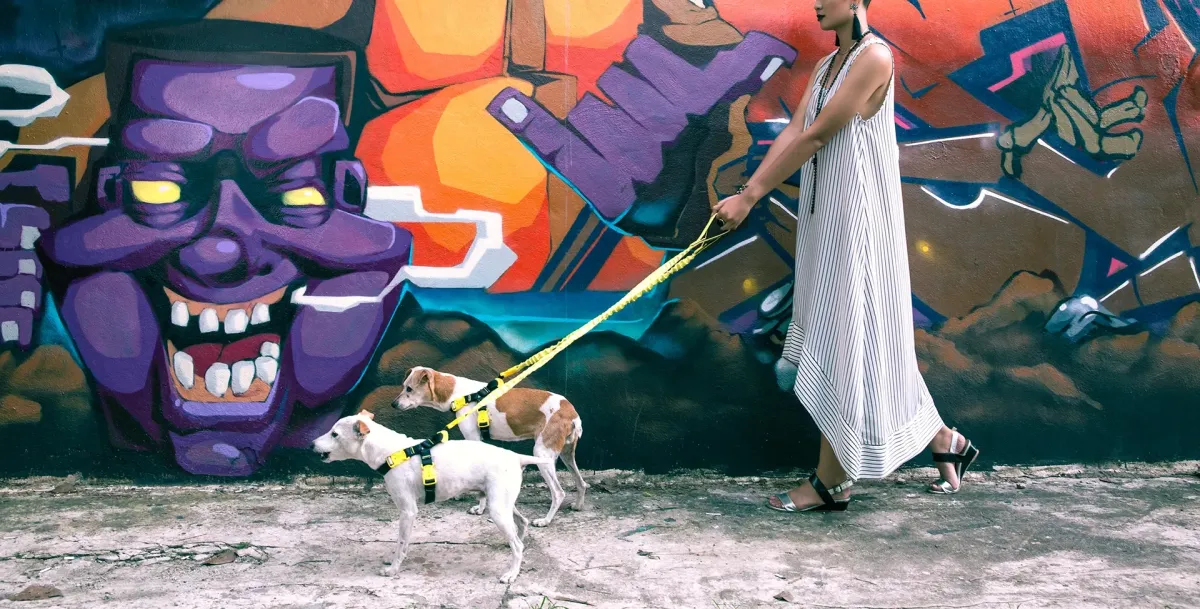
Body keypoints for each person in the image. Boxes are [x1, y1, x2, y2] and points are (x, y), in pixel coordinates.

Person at [713, 0, 980, 512]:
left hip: (858, 222)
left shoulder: (875, 58)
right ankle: (945, 441)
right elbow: (795, 129)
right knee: (873, 341)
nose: (815, 2)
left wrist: (751, 198)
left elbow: (818, 135)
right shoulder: (827, 64)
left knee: (846, 339)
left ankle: (832, 482)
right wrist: (750, 189)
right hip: (825, 220)